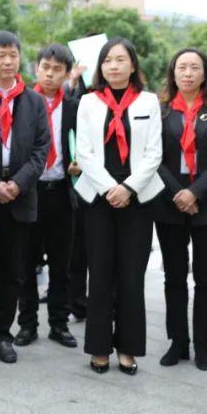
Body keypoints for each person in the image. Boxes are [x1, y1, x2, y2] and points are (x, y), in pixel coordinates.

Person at [73, 38, 164, 375]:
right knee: (99, 274)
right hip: (98, 196)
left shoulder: (149, 101)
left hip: (137, 197)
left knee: (131, 275)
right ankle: (98, 348)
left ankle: (128, 347)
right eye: (108, 60)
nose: (114, 66)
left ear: (133, 66)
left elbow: (154, 153)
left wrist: (128, 188)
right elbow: (85, 153)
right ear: (101, 67)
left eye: (121, 59)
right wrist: (111, 188)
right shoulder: (88, 102)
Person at [153, 48, 207, 372]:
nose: (187, 73)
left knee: (206, 277)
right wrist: (179, 193)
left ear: (205, 73)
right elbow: (153, 157)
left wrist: (195, 192)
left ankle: (203, 343)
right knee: (174, 276)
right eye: (181, 67)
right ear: (173, 73)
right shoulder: (160, 111)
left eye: (194, 67)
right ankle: (178, 341)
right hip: (170, 200)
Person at [0, 31, 49, 363]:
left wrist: (18, 184)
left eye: (13, 55)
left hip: (20, 195)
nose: (8, 62)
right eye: (1, 55)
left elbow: (41, 150)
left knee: (14, 272)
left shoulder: (34, 101)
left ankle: (0, 335)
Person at [19, 44, 81, 349]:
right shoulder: (22, 102)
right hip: (28, 192)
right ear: (36, 67)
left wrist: (79, 164)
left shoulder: (75, 106)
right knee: (25, 261)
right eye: (46, 67)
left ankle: (59, 322)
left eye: (58, 69)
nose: (50, 73)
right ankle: (27, 323)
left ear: (67, 74)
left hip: (61, 192)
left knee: (62, 264)